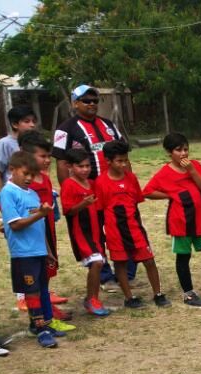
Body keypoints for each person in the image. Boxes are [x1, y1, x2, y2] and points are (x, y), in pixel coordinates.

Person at [51, 84, 133, 290]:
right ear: (75, 103)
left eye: (95, 100)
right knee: (95, 234)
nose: (91, 104)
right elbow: (60, 161)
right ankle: (105, 276)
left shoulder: (109, 125)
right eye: (86, 100)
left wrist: (129, 181)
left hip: (114, 190)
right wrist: (70, 190)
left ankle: (128, 272)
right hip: (88, 192)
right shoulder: (64, 129)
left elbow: (124, 155)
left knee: (124, 227)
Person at [143, 133, 201, 307]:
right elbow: (147, 191)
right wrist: (170, 195)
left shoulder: (195, 166)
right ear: (169, 152)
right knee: (183, 256)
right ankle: (188, 294)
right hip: (180, 222)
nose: (183, 153)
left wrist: (192, 171)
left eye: (186, 149)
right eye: (178, 150)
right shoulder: (164, 172)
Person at [92, 139, 167, 309]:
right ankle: (129, 297)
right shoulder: (100, 183)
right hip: (115, 231)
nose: (124, 164)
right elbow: (100, 211)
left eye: (125, 160)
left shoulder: (131, 178)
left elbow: (136, 203)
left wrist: (140, 226)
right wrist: (101, 235)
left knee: (149, 260)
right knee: (121, 263)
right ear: (108, 161)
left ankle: (158, 294)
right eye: (119, 161)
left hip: (135, 228)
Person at [0, 151, 59, 347]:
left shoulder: (32, 194)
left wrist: (48, 251)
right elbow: (15, 225)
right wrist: (40, 214)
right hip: (23, 253)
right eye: (25, 173)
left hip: (39, 251)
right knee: (31, 292)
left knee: (40, 289)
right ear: (12, 170)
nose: (28, 178)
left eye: (32, 175)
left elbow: (39, 226)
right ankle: (41, 330)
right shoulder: (7, 193)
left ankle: (38, 324)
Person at [21, 132, 73, 325]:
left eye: (48, 156)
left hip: (48, 233)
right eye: (42, 156)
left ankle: (46, 307)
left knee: (47, 273)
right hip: (33, 238)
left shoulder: (45, 179)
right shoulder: (23, 185)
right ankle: (40, 316)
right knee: (35, 278)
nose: (47, 160)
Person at [60, 148, 109, 316]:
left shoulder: (93, 183)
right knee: (96, 262)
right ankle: (91, 299)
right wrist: (83, 204)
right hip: (82, 233)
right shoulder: (68, 184)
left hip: (96, 232)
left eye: (87, 166)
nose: (85, 169)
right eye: (80, 166)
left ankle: (93, 298)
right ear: (70, 167)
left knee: (99, 263)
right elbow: (68, 211)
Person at [0, 104, 36, 191]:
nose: (32, 125)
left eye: (33, 121)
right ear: (15, 124)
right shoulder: (5, 143)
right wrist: (2, 196)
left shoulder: (35, 143)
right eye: (27, 121)